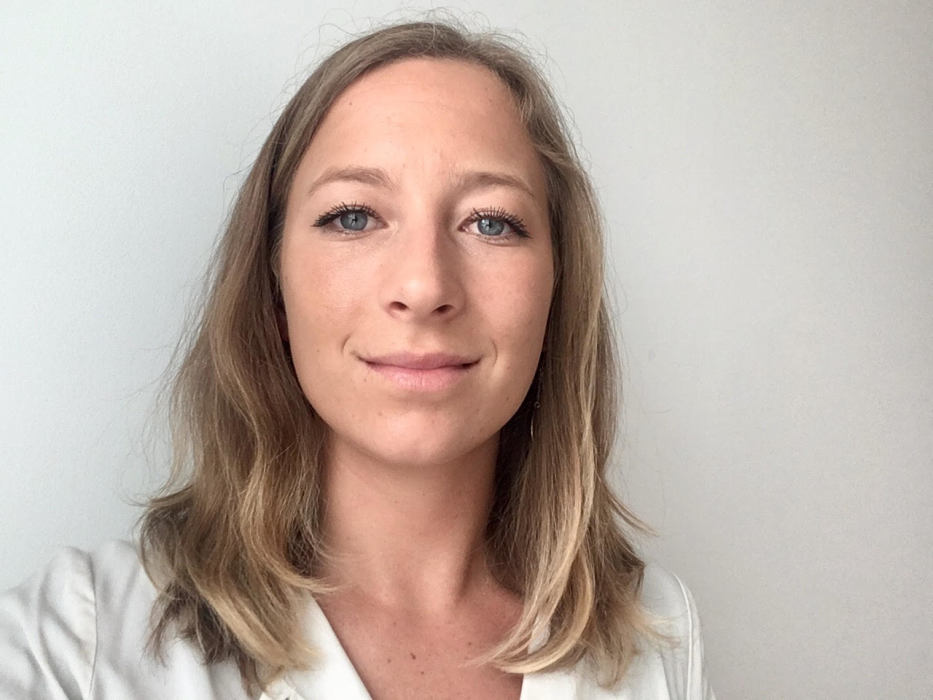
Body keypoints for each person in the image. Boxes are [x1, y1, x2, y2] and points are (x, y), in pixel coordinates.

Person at [0, 20, 714, 700]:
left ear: (557, 292)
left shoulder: (654, 631)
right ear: (273, 290)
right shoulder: (78, 640)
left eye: (490, 222)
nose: (424, 286)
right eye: (353, 216)